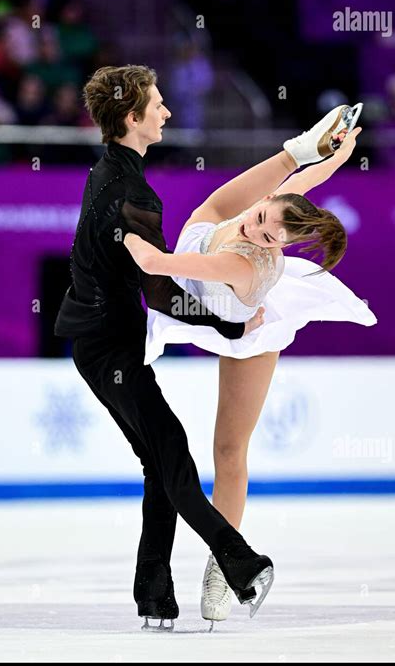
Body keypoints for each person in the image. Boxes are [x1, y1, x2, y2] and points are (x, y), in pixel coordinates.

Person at [124, 108, 377, 627]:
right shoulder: (247, 212)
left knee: (228, 448)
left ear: (277, 246)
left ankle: (224, 568)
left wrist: (113, 232)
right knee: (238, 199)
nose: (254, 226)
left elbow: (158, 266)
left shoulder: (247, 261)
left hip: (249, 329)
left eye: (267, 233)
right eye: (260, 215)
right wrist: (335, 155)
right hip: (201, 301)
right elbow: (294, 185)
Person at [54, 64, 281, 630]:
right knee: (172, 454)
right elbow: (159, 291)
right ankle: (241, 563)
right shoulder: (134, 195)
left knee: (160, 464)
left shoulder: (107, 169)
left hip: (100, 341)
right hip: (109, 348)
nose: (167, 113)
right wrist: (229, 328)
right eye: (157, 105)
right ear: (133, 119)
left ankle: (154, 594)